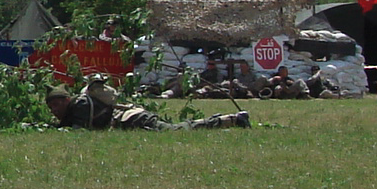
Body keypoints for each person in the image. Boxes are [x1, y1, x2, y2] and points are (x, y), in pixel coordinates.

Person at [45, 83, 249, 130]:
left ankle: (231, 119)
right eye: (51, 107)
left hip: (133, 119)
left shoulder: (80, 105)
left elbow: (80, 131)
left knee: (175, 131)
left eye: (56, 104)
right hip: (130, 121)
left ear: (66, 100)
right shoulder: (74, 109)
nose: (54, 109)